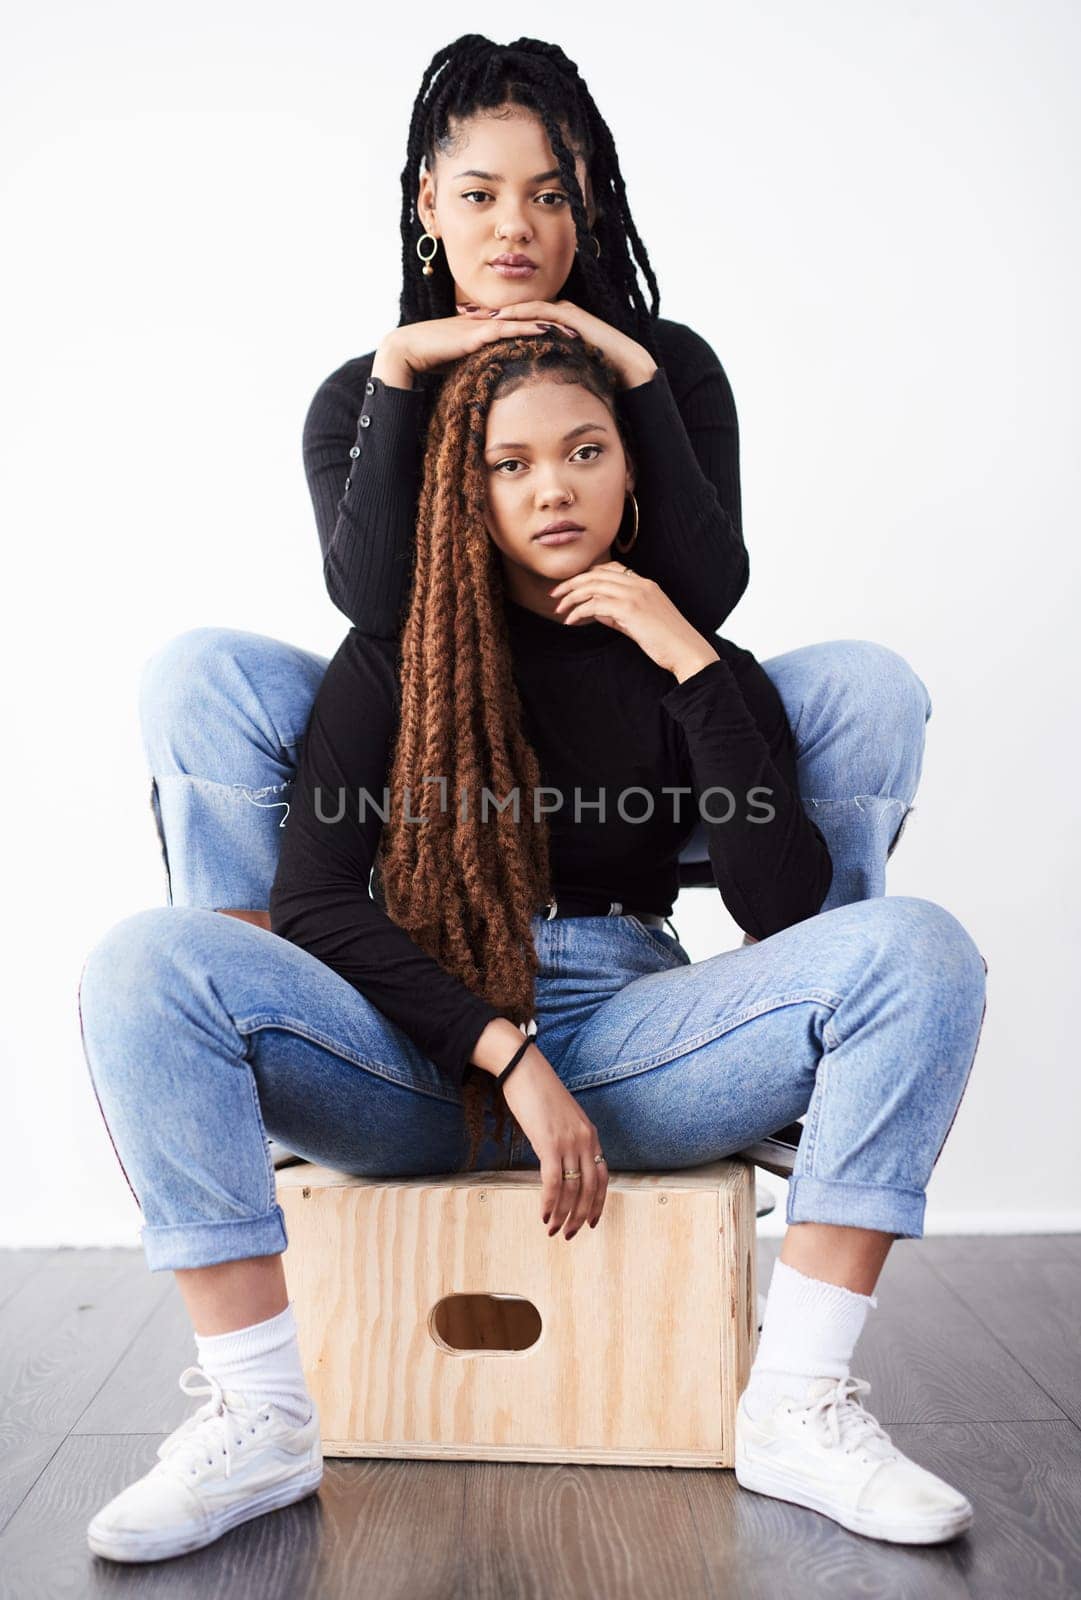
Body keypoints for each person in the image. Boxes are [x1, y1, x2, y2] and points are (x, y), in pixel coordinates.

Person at [79, 332, 988, 1562]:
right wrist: (505, 1051)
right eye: (512, 464)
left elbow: (784, 907)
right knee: (144, 960)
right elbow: (318, 906)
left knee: (921, 946)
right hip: (412, 1047)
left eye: (583, 451)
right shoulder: (402, 650)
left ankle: (795, 1406)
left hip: (632, 1038)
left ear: (630, 477)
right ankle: (260, 1413)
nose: (551, 486)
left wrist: (688, 661)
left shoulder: (701, 665)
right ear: (471, 490)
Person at [138, 33, 931, 927]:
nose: (513, 225)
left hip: (637, 753)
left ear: (585, 202)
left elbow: (704, 597)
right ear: (429, 202)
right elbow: (377, 606)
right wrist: (400, 372)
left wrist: (633, 372)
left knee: (866, 686)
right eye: (478, 195)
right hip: (440, 748)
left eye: (548, 195)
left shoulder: (664, 366)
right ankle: (258, 972)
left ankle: (825, 959)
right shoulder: (364, 391)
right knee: (203, 673)